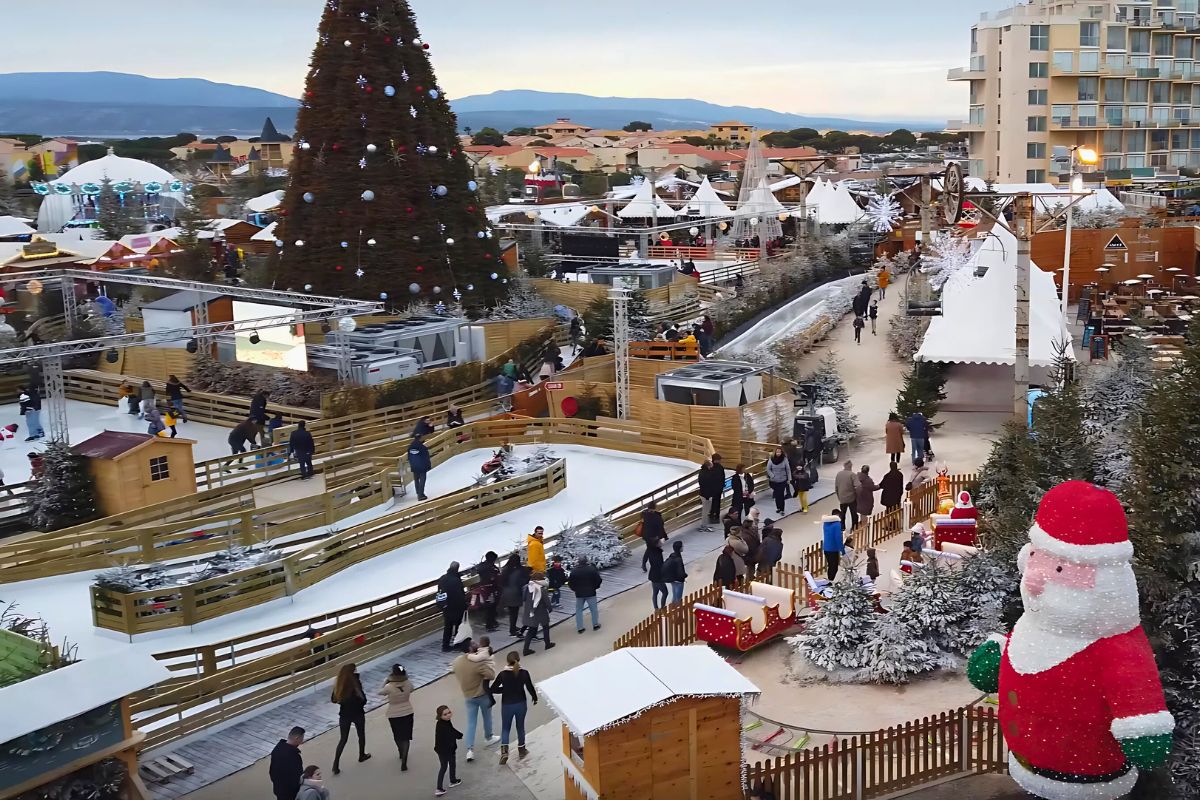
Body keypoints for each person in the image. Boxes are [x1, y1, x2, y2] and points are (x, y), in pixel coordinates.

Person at [451, 642, 499, 761]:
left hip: (468, 696)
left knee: (471, 723)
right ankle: (488, 737)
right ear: (470, 648)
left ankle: (470, 750)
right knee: (487, 717)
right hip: (481, 695)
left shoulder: (457, 661)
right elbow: (491, 675)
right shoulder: (477, 663)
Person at [489, 651, 538, 765]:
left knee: (506, 728)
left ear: (507, 661)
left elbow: (493, 689)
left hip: (507, 705)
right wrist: (534, 698)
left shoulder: (502, 674)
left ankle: (504, 752)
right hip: (521, 703)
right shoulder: (524, 673)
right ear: (518, 660)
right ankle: (522, 750)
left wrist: (504, 690)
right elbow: (530, 687)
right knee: (520, 727)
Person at [330, 663, 371, 775]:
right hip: (357, 713)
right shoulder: (355, 682)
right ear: (353, 671)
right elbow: (363, 700)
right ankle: (361, 755)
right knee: (361, 735)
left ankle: (336, 764)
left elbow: (333, 699)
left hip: (344, 715)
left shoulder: (339, 684)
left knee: (343, 739)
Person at [381, 664, 414, 770]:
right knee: (406, 737)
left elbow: (380, 692)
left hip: (394, 713)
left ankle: (401, 751)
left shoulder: (389, 686)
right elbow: (412, 689)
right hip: (408, 711)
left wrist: (386, 681)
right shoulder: (408, 683)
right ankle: (404, 760)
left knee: (397, 735)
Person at [521, 571, 554, 654]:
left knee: (531, 630)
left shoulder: (527, 587)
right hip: (540, 611)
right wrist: (550, 608)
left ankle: (525, 649)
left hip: (529, 611)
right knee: (545, 627)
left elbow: (524, 598)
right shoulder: (541, 589)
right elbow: (546, 601)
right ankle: (547, 644)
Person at [433, 706, 463, 796]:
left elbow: (452, 730)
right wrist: (459, 735)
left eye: (449, 712)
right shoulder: (443, 725)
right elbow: (451, 733)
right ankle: (444, 785)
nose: (448, 715)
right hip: (447, 750)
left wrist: (458, 734)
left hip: (441, 749)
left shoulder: (443, 722)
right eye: (445, 714)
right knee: (447, 766)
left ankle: (446, 783)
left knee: (444, 766)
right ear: (440, 716)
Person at [567, 556, 602, 633]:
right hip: (591, 592)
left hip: (579, 594)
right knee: (593, 610)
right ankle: (595, 624)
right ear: (586, 561)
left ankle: (580, 628)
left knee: (579, 610)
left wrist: (575, 589)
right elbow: (598, 580)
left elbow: (570, 583)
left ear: (578, 562)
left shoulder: (574, 571)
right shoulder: (591, 569)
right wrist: (595, 587)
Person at [437, 562, 467, 652]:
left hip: (446, 606)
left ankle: (445, 645)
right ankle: (457, 643)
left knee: (448, 626)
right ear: (457, 568)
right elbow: (460, 594)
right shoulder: (456, 580)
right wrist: (464, 605)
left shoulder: (443, 578)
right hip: (456, 606)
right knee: (458, 625)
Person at [269, 727, 305, 800]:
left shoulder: (277, 750)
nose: (302, 741)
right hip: (291, 793)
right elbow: (297, 776)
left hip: (279, 790)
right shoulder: (293, 755)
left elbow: (272, 772)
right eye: (302, 738)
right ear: (297, 738)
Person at [499, 554, 529, 637]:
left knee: (511, 612)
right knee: (514, 613)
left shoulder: (505, 570)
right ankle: (512, 630)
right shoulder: (519, 571)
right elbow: (522, 582)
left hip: (506, 593)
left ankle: (513, 627)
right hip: (515, 593)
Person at [475, 551, 501, 632]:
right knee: (491, 606)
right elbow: (494, 578)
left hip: (484, 588)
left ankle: (492, 621)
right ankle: (489, 625)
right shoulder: (491, 568)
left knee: (489, 606)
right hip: (490, 589)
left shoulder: (481, 566)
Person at [640, 500, 667, 571]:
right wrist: (663, 536)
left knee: (649, 550)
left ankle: (644, 563)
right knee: (656, 550)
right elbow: (660, 527)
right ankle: (658, 565)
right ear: (655, 507)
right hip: (655, 537)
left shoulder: (644, 515)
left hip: (647, 536)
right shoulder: (657, 516)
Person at [835, 460, 860, 530]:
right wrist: (856, 494)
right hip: (851, 498)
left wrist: (839, 497)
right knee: (854, 514)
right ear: (850, 466)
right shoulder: (852, 475)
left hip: (842, 498)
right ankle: (854, 528)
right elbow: (858, 486)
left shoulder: (839, 474)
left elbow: (836, 487)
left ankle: (842, 528)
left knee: (842, 514)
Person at [765, 447, 791, 516]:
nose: (778, 453)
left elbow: (788, 469)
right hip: (774, 480)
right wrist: (772, 476)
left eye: (779, 452)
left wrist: (789, 479)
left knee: (781, 495)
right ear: (775, 452)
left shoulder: (784, 459)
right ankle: (778, 507)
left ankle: (782, 509)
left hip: (782, 479)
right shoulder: (771, 459)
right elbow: (768, 469)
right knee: (777, 494)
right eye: (777, 452)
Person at [407, 435, 432, 501]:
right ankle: (421, 495)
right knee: (422, 480)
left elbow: (409, 457)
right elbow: (426, 458)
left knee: (416, 480)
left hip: (414, 466)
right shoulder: (422, 448)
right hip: (422, 466)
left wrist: (412, 465)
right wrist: (428, 466)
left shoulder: (410, 447)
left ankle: (418, 492)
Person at [822, 511, 844, 580]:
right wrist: (842, 550)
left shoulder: (826, 523)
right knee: (834, 567)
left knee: (830, 566)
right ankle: (830, 581)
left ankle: (829, 579)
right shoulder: (837, 524)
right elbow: (838, 537)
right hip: (833, 549)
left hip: (826, 548)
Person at [646, 538, 668, 609]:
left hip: (652, 575)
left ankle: (656, 608)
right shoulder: (657, 553)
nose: (661, 543)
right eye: (659, 542)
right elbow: (659, 564)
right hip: (658, 576)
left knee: (655, 592)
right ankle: (662, 607)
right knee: (665, 592)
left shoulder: (651, 551)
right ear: (656, 544)